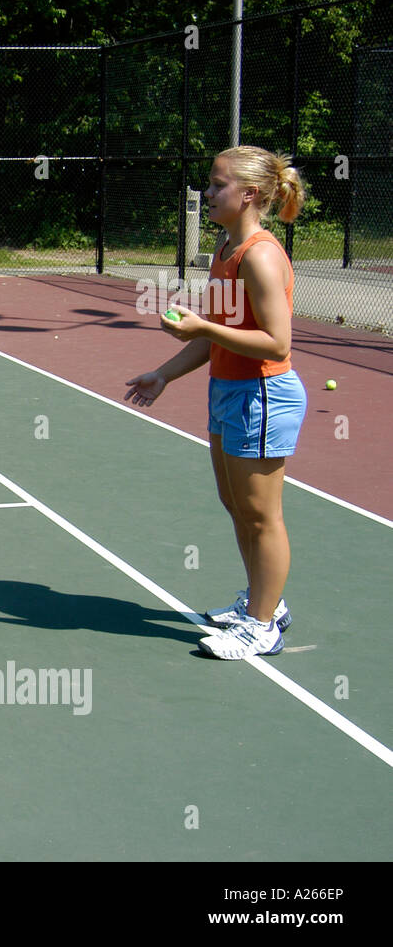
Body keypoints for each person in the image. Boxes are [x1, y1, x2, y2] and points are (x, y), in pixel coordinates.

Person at [125, 146, 307, 660]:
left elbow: (277, 343)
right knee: (237, 506)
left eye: (217, 185)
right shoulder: (227, 250)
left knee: (261, 516)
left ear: (249, 194)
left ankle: (262, 625)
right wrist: (164, 374)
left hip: (264, 392)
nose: (207, 193)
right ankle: (263, 601)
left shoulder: (261, 255)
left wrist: (204, 326)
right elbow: (218, 337)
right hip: (229, 392)